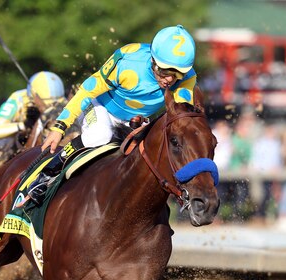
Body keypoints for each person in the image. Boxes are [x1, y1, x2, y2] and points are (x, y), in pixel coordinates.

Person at [30, 25, 198, 204]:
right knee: (100, 135)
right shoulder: (127, 61)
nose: (170, 79)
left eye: (178, 74)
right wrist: (60, 126)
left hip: (136, 122)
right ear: (153, 60)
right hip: (100, 107)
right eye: (165, 71)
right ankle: (49, 172)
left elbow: (180, 115)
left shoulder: (187, 78)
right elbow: (88, 90)